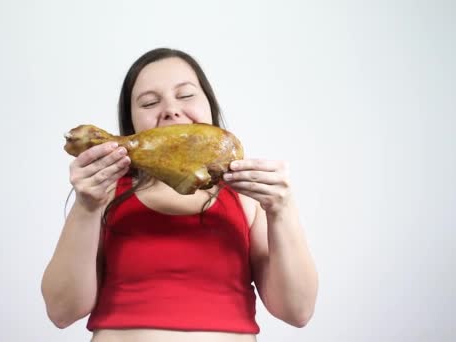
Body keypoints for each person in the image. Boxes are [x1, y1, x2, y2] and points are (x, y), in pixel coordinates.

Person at [41, 48, 318, 341]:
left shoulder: (249, 200)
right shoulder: (103, 195)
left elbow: (297, 310)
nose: (171, 109)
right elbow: (62, 311)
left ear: (210, 107)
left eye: (186, 96)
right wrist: (86, 206)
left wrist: (282, 208)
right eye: (149, 102)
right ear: (132, 122)